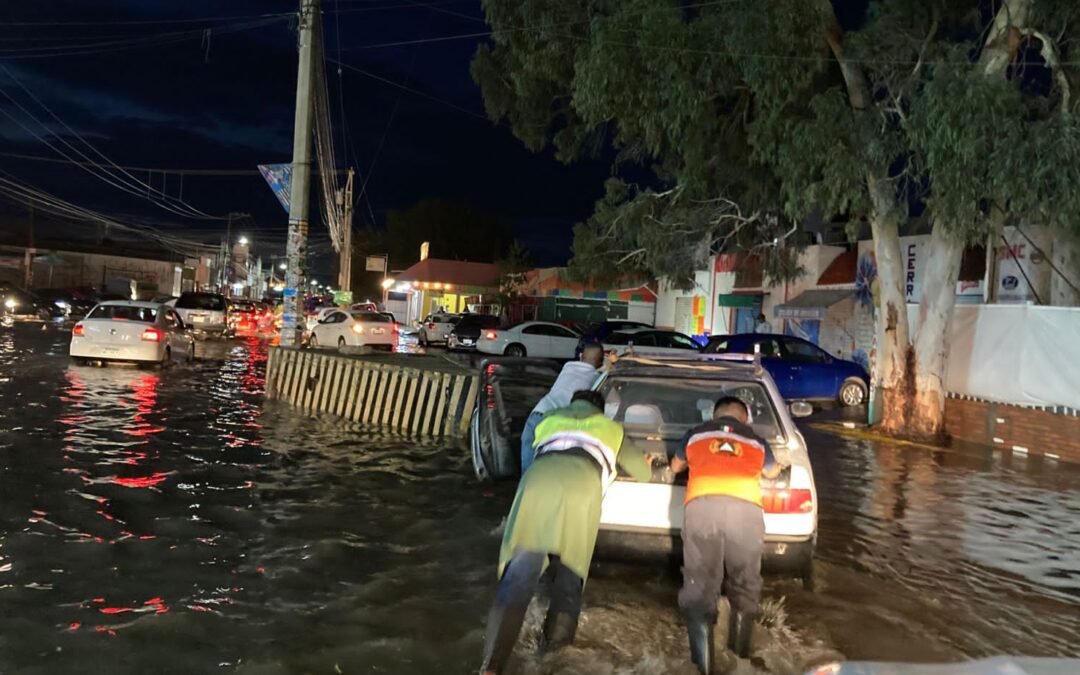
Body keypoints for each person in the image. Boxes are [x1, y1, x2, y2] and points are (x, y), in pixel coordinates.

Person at [480, 390, 653, 674]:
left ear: (572, 404)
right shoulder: (612, 428)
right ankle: (551, 661)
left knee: (518, 578)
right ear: (601, 410)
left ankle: (491, 666)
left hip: (537, 484)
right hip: (580, 487)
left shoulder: (547, 419)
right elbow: (644, 474)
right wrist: (641, 463)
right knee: (569, 579)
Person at [669, 396, 784, 673]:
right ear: (743, 417)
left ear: (714, 414)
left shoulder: (695, 434)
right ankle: (739, 662)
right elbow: (772, 471)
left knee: (699, 586)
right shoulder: (756, 440)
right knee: (745, 584)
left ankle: (703, 668)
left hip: (702, 509)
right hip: (745, 513)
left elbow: (675, 467)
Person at [519, 343, 605, 474]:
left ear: (581, 356)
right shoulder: (597, 377)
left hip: (537, 414)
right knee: (546, 471)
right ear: (600, 361)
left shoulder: (568, 367)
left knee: (528, 469)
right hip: (555, 423)